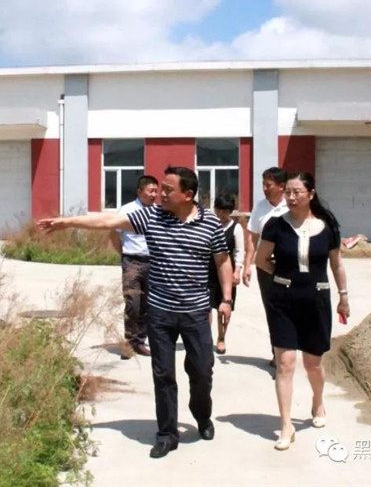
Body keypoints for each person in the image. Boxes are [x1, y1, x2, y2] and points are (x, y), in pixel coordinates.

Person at [37, 166, 233, 459]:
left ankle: (201, 414)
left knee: (202, 370)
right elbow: (108, 220)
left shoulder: (210, 223)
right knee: (163, 374)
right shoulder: (152, 217)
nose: (160, 194)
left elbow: (222, 260)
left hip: (195, 313)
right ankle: (166, 434)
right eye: (160, 188)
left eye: (168, 189)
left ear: (187, 194)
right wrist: (67, 222)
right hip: (161, 313)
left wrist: (226, 299)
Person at [254, 172, 350, 451]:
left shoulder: (327, 226)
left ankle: (317, 401)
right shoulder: (275, 225)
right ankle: (286, 425)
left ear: (311, 194)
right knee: (285, 363)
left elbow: (337, 264)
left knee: (312, 364)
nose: (292, 197)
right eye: (288, 192)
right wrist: (283, 277)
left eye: (297, 192)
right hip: (283, 301)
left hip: (316, 299)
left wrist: (343, 296)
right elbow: (261, 259)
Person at [242, 167, 289, 366]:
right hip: (265, 267)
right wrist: (247, 265)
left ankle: (288, 351)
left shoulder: (292, 205)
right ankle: (278, 353)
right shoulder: (260, 207)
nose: (265, 189)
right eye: (263, 185)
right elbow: (252, 239)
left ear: (281, 186)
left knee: (290, 310)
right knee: (273, 310)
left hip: (289, 266)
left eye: (268, 185)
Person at [108, 175, 159, 359]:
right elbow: (113, 234)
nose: (154, 195)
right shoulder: (127, 210)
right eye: (150, 191)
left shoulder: (158, 212)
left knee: (148, 304)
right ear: (140, 191)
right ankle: (129, 343)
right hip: (132, 262)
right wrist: (122, 253)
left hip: (152, 262)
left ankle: (140, 341)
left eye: (156, 191)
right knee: (132, 303)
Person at [207, 194, 244, 355]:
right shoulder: (209, 225)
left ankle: (221, 337)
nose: (222, 214)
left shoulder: (236, 228)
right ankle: (205, 337)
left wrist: (237, 271)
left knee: (224, 306)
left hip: (227, 271)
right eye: (219, 211)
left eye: (226, 212)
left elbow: (239, 251)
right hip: (208, 270)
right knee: (206, 306)